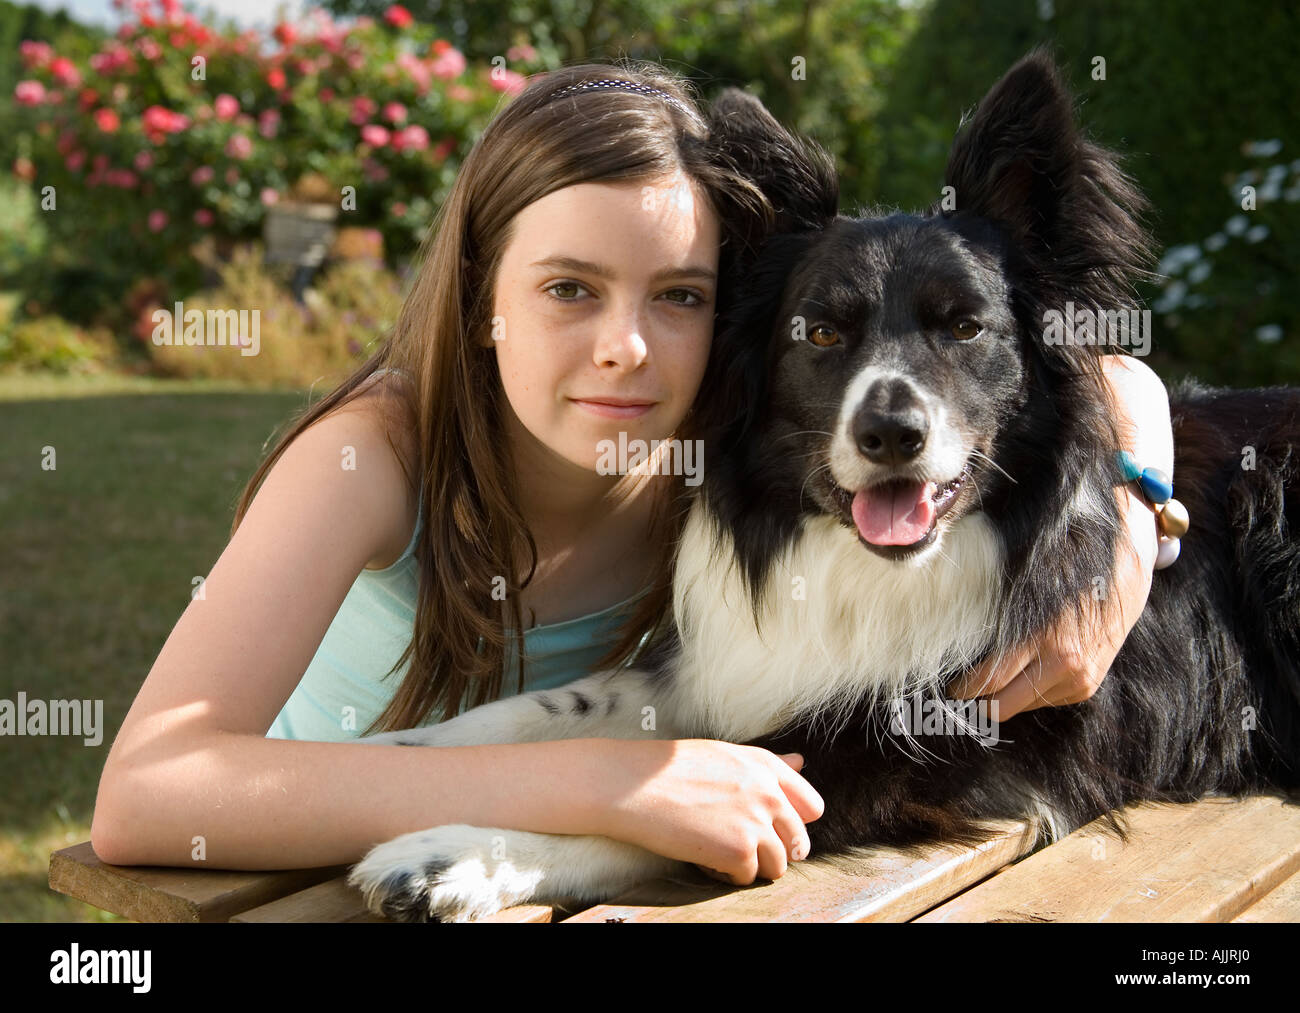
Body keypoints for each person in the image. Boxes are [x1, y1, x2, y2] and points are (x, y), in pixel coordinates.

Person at [91, 60, 1173, 889]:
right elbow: (145, 793)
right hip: (288, 872)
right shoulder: (369, 458)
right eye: (569, 289)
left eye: (681, 295)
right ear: (480, 297)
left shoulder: (709, 440)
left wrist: (1133, 519)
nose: (629, 348)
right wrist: (605, 780)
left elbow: (1099, 362)